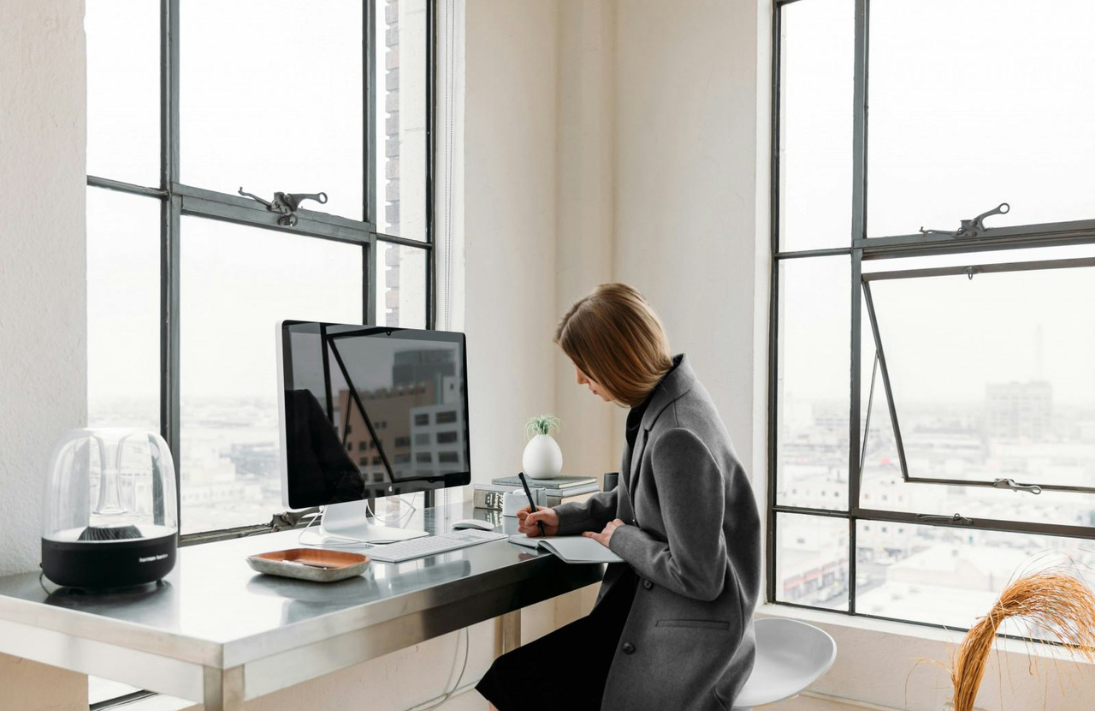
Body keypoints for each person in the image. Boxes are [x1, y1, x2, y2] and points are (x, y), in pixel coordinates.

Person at [475, 283, 761, 711]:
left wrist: (621, 539)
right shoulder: (662, 401)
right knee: (511, 679)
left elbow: (700, 578)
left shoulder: (677, 434)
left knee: (511, 682)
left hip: (690, 633)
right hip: (651, 606)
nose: (579, 379)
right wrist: (563, 517)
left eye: (584, 365)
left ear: (615, 359)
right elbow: (635, 500)